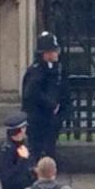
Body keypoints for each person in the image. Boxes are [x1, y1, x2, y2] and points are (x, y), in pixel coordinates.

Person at [22, 31, 69, 160]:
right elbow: (31, 93)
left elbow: (62, 91)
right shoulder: (36, 71)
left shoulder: (56, 69)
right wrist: (51, 105)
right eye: (54, 50)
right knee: (37, 152)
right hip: (38, 120)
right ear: (45, 53)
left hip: (50, 119)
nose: (57, 53)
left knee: (50, 150)